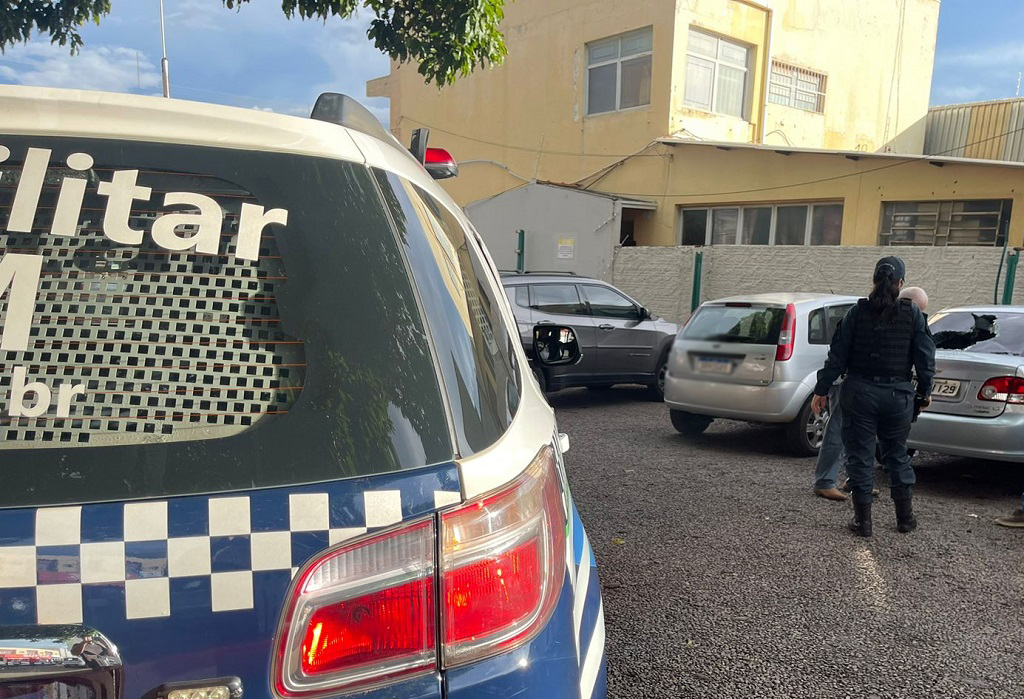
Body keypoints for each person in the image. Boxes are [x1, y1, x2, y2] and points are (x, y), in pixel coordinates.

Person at [811, 256, 936, 536]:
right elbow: (926, 357)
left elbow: (837, 357)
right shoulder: (913, 315)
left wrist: (821, 389)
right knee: (897, 455)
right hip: (897, 395)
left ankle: (863, 522)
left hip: (859, 394)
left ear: (873, 280)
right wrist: (925, 392)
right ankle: (905, 519)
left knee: (860, 456)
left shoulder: (857, 313)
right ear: (900, 283)